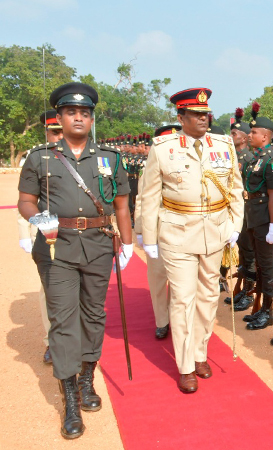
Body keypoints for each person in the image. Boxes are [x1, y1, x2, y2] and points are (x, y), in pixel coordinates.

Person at [18, 82, 133, 439]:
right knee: (63, 320)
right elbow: (25, 200)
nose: (78, 117)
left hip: (99, 245)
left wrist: (127, 243)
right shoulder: (41, 157)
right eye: (71, 112)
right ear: (60, 117)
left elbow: (122, 206)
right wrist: (38, 219)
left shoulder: (110, 159)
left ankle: (87, 378)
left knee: (94, 314)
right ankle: (69, 396)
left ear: (91, 119)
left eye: (84, 113)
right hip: (57, 248)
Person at [140, 87, 244, 394]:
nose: (203, 118)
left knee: (208, 295)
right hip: (176, 233)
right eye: (196, 114)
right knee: (183, 298)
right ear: (181, 117)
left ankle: (200, 352)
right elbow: (149, 195)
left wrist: (235, 226)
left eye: (206, 113)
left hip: (215, 232)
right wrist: (148, 236)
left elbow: (235, 190)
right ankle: (185, 365)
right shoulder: (163, 147)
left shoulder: (224, 145)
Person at [18, 109, 64, 365]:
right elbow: (27, 198)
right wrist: (25, 233)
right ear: (46, 131)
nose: (58, 136)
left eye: (61, 130)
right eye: (54, 131)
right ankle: (51, 342)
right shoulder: (37, 157)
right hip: (48, 233)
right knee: (49, 291)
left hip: (78, 233)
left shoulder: (83, 155)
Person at [133, 125, 181, 340]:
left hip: (184, 232)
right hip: (159, 231)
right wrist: (142, 230)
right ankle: (162, 320)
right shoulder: (150, 167)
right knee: (158, 278)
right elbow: (142, 200)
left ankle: (179, 318)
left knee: (183, 280)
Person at [240, 102, 273, 330]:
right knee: (258, 263)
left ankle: (269, 309)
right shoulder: (256, 159)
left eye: (254, 132)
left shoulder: (271, 161)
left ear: (265, 136)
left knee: (267, 265)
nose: (250, 135)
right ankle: (260, 307)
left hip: (266, 220)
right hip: (254, 216)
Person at [225, 108, 256, 311]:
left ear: (244, 138)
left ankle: (249, 292)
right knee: (243, 253)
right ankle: (242, 289)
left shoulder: (249, 159)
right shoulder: (233, 157)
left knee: (250, 254)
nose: (231, 136)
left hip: (248, 213)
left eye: (234, 134)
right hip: (237, 212)